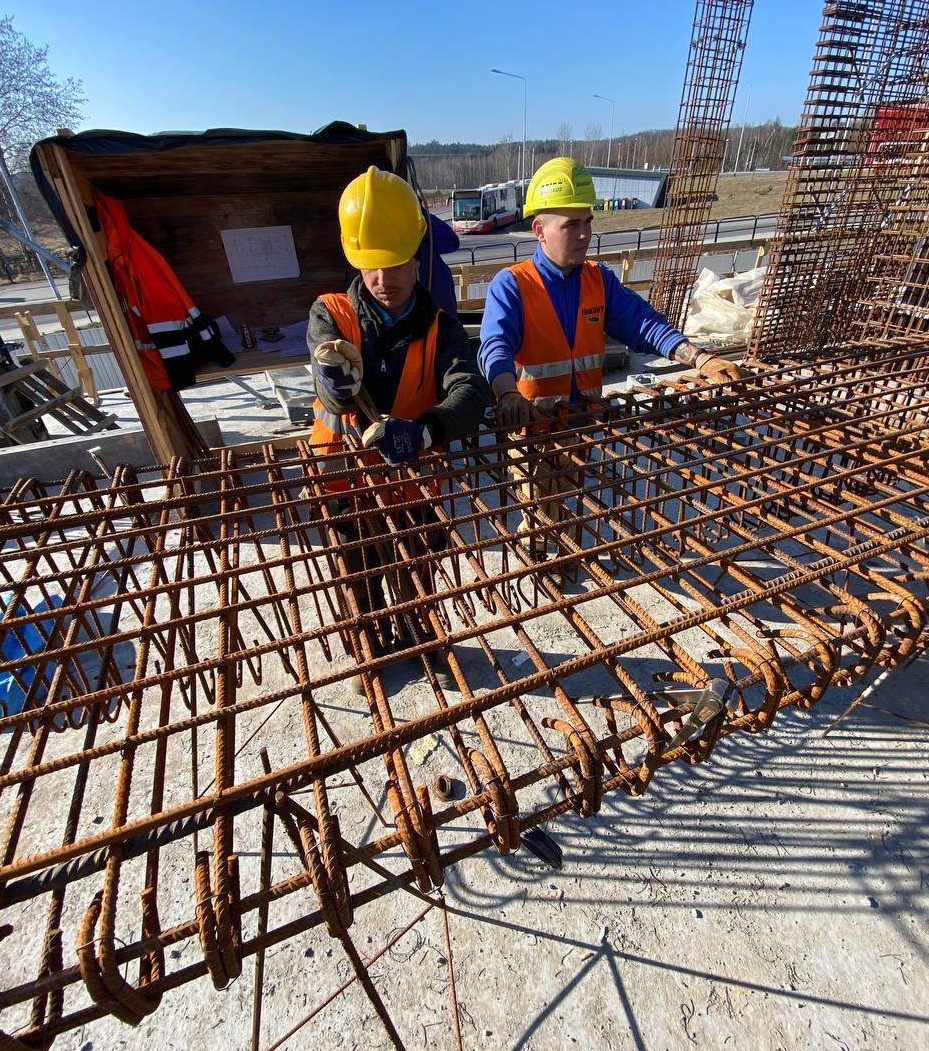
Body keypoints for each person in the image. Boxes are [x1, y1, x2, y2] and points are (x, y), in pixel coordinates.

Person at [477, 157, 742, 565]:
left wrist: (699, 357)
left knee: (572, 499)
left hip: (582, 419)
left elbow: (643, 323)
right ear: (540, 231)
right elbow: (494, 345)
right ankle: (541, 563)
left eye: (587, 222)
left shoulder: (598, 279)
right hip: (531, 426)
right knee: (538, 508)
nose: (584, 235)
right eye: (570, 225)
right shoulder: (512, 285)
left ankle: (566, 559)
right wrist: (506, 392)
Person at [307, 165, 487, 688]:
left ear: (417, 254)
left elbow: (470, 394)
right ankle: (369, 646)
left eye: (396, 264)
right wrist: (333, 384)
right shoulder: (331, 314)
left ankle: (419, 636)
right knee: (357, 571)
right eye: (371, 266)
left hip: (412, 479)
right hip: (343, 480)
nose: (384, 280)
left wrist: (425, 431)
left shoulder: (442, 328)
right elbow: (325, 367)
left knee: (417, 566)